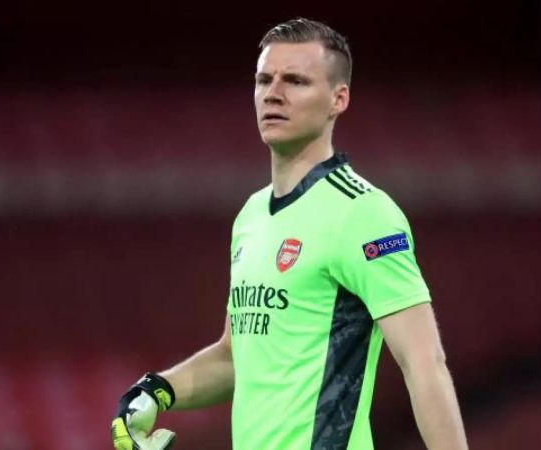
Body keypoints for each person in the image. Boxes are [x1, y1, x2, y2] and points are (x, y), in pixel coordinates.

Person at [111, 18, 468, 450]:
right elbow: (235, 356)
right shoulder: (251, 216)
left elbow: (424, 364)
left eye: (295, 81)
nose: (273, 93)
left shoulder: (363, 214)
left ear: (339, 99)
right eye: (264, 79)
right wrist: (156, 390)